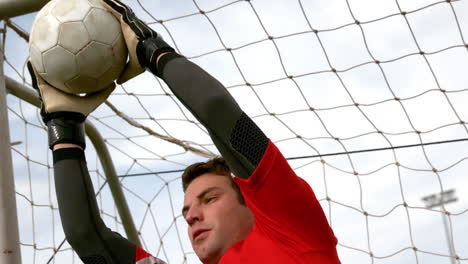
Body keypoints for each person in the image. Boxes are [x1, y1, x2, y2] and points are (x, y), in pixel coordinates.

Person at [29, 0, 341, 263]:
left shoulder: (294, 231)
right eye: (186, 210)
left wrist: (154, 51)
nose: (191, 216)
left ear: (251, 203)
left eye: (209, 199)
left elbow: (223, 116)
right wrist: (63, 126)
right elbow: (88, 238)